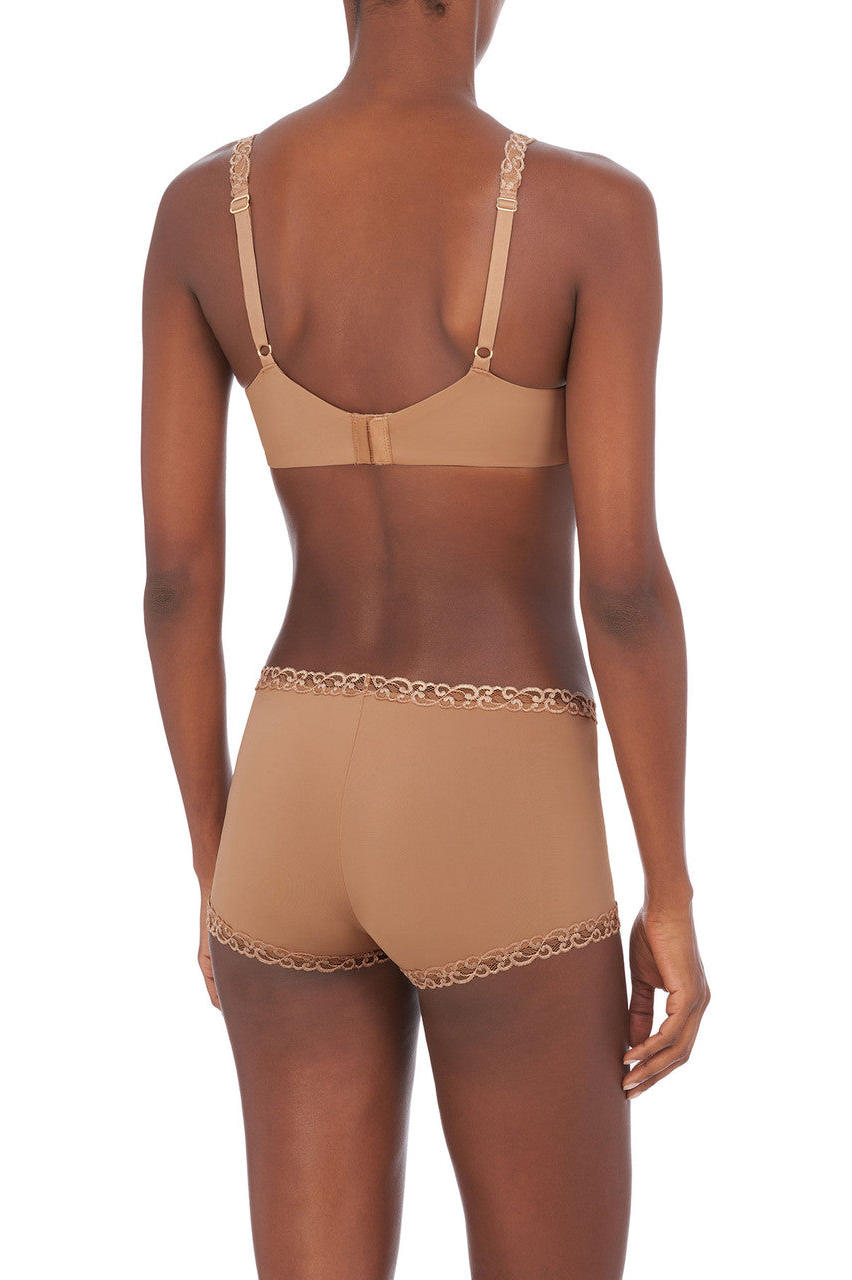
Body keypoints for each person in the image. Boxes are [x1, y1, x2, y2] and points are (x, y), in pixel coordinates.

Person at [141, 1, 710, 1275]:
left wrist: (215, 859)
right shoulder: (589, 211)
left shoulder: (200, 213)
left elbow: (176, 581)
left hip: (285, 789)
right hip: (492, 780)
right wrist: (668, 891)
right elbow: (622, 587)